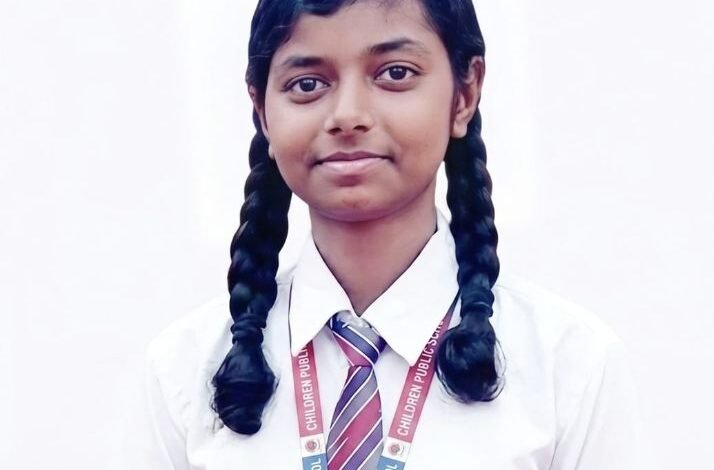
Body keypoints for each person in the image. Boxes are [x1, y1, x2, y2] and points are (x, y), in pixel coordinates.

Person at [115, 0, 650, 468]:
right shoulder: (185, 369)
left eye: (395, 73)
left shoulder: (567, 366)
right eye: (308, 84)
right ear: (262, 110)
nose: (348, 115)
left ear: (464, 94)